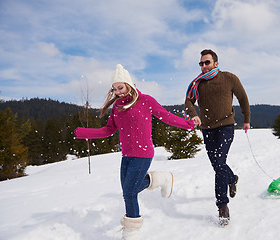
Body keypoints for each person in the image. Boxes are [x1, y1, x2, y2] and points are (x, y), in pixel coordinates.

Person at [74, 64, 195, 239]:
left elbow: (166, 116)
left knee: (129, 193)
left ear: (129, 85)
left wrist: (188, 124)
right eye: (115, 89)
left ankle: (131, 232)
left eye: (120, 87)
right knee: (129, 190)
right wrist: (83, 133)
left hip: (143, 153)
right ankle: (160, 178)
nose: (118, 92)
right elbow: (108, 130)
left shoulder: (146, 101)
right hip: (127, 155)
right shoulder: (117, 107)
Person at [184, 49, 250, 226]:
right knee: (217, 165)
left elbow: (243, 98)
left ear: (216, 63)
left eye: (207, 62)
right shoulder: (196, 83)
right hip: (207, 129)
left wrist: (247, 119)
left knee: (219, 163)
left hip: (226, 126)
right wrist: (193, 114)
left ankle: (222, 206)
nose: (204, 66)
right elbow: (188, 101)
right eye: (201, 63)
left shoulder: (229, 78)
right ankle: (232, 178)